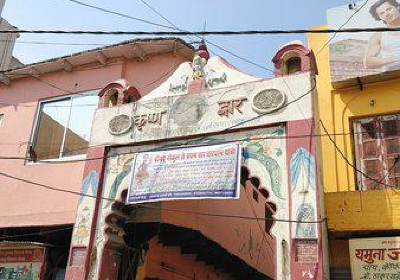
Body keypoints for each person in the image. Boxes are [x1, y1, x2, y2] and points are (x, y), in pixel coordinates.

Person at [364, 0, 400, 70]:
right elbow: (368, 63)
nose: (387, 14)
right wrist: (397, 58)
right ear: (379, 17)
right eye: (382, 13)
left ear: (397, 7)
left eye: (389, 9)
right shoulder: (379, 35)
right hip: (394, 76)